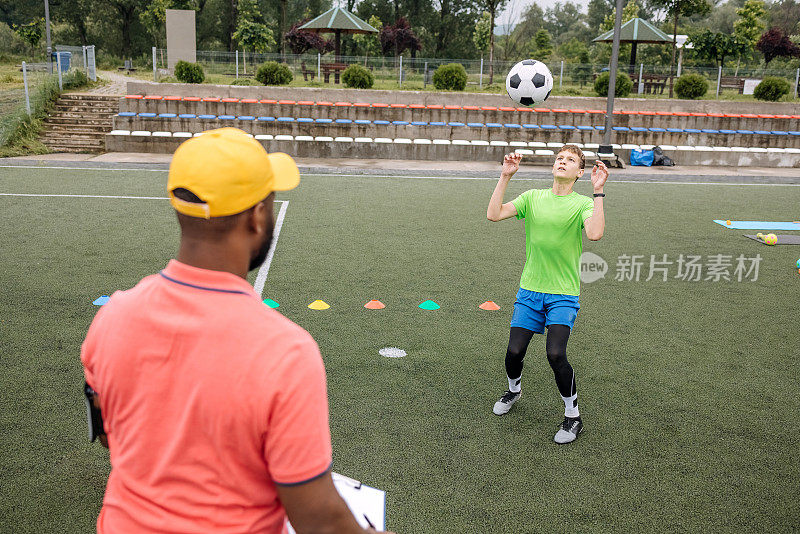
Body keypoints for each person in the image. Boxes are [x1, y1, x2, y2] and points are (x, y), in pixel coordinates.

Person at [81, 128, 393, 534]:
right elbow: (317, 517)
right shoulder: (285, 351)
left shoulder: (111, 318)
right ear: (257, 216)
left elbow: (109, 437)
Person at [486, 145, 608, 444]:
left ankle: (573, 417)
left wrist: (599, 192)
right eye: (559, 158)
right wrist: (505, 176)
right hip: (530, 290)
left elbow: (594, 234)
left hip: (562, 293)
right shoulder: (533, 197)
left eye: (570, 160)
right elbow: (493, 214)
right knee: (514, 352)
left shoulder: (582, 204)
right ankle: (514, 390)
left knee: (555, 353)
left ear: (580, 172)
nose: (562, 162)